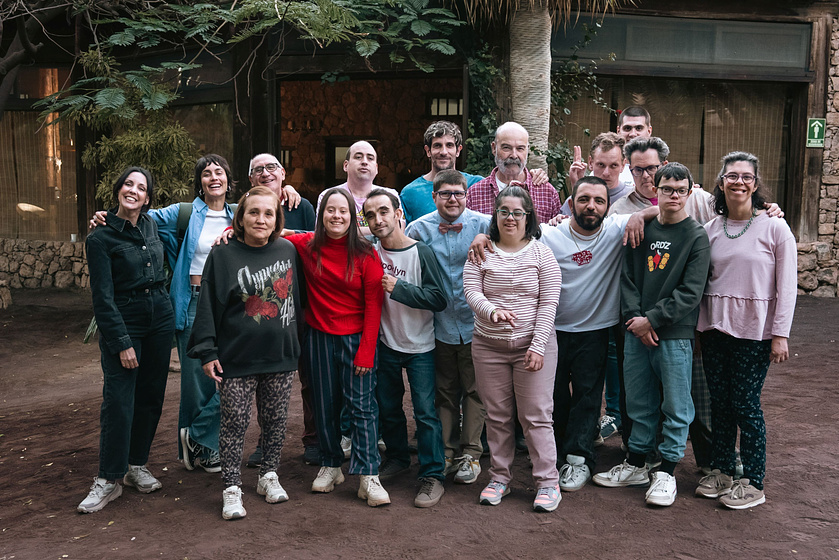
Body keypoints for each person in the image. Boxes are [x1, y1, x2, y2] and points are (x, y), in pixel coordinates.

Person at [593, 163, 711, 508]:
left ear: (689, 193)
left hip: (673, 334)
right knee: (639, 401)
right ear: (654, 191)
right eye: (666, 189)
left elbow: (691, 291)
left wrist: (652, 320)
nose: (672, 195)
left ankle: (667, 471)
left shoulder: (696, 236)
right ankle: (638, 462)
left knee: (675, 404)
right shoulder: (641, 228)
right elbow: (627, 278)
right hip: (635, 332)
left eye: (679, 190)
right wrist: (635, 318)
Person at [188, 186, 302, 520]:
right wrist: (208, 351)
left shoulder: (287, 249)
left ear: (277, 219)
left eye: (268, 213)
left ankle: (268, 474)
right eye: (253, 212)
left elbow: (300, 298)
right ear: (241, 217)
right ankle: (232, 487)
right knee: (234, 423)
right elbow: (207, 304)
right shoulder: (222, 254)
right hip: (236, 358)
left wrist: (298, 343)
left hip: (280, 355)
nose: (261, 219)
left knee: (276, 420)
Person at [694, 151, 797, 509]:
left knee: (745, 404)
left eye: (746, 177)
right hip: (714, 328)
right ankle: (722, 470)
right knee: (720, 405)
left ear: (755, 184)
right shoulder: (709, 230)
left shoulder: (775, 226)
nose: (738, 182)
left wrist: (780, 334)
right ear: (721, 182)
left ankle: (753, 481)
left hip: (756, 332)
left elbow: (787, 284)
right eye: (731, 176)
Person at [284, 187, 390, 507]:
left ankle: (369, 475)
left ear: (352, 217)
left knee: (362, 407)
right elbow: (274, 233)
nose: (336, 216)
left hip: (357, 338)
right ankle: (331, 464)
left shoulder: (365, 253)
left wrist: (367, 351)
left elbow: (375, 305)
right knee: (324, 405)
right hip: (318, 337)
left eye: (343, 211)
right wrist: (232, 229)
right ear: (321, 215)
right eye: (330, 210)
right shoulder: (307, 246)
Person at [78, 167, 175, 513]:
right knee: (118, 401)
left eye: (141, 187)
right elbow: (102, 299)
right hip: (125, 319)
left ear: (147, 198)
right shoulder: (100, 238)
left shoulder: (151, 224)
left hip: (160, 317)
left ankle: (136, 465)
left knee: (151, 396)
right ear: (118, 190)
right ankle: (108, 478)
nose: (133, 190)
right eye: (128, 184)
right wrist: (121, 342)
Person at [463, 185, 562, 511]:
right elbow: (471, 291)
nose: (510, 217)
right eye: (504, 211)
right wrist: (492, 311)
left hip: (533, 348)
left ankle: (548, 482)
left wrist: (537, 345)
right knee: (498, 416)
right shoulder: (482, 250)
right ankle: (500, 478)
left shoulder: (541, 254)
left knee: (535, 416)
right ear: (496, 215)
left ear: (528, 216)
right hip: (488, 347)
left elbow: (549, 303)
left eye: (517, 212)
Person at [362, 189, 448, 507]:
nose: (377, 219)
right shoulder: (369, 251)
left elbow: (439, 298)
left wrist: (401, 289)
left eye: (383, 211)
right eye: (370, 215)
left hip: (421, 346)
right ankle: (398, 457)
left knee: (426, 413)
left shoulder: (420, 252)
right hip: (385, 343)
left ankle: (432, 475)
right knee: (388, 407)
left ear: (399, 213)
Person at [405, 169, 489, 485]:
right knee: (444, 392)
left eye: (458, 193)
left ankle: (471, 454)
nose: (453, 199)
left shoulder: (484, 225)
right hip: (436, 326)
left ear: (467, 195)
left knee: (474, 390)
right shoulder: (418, 229)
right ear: (434, 196)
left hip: (474, 325)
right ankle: (448, 451)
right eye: (446, 194)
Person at [243, 153, 318, 468]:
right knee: (268, 378)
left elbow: (319, 245)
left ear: (284, 172)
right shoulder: (244, 208)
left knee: (311, 377)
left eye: (271, 166)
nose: (264, 172)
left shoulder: (301, 207)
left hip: (304, 303)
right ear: (250, 179)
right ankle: (265, 443)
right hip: (266, 309)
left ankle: (314, 441)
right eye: (257, 169)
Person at [466, 122, 561, 224]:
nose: (514, 155)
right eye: (506, 148)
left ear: (527, 149)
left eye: (520, 148)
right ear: (494, 148)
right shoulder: (474, 193)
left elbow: (558, 234)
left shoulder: (547, 192)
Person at [400, 121, 484, 223]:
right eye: (437, 146)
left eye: (449, 145)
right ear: (428, 151)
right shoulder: (410, 193)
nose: (443, 152)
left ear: (458, 150)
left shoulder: (477, 185)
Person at [316, 141, 401, 237]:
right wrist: (381, 228)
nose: (364, 162)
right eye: (358, 157)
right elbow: (322, 232)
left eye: (370, 158)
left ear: (376, 168)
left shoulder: (389, 195)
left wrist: (344, 230)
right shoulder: (329, 196)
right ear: (345, 165)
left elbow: (400, 229)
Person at [561, 132, 629, 216]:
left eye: (613, 165)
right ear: (590, 162)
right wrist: (577, 190)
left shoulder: (633, 198)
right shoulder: (572, 202)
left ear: (623, 165)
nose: (606, 173)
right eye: (601, 165)